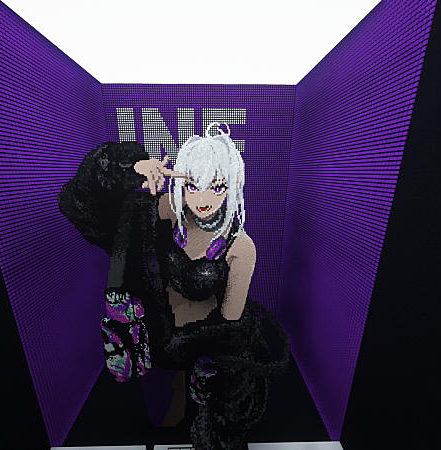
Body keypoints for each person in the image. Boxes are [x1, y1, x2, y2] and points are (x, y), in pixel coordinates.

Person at [58, 122, 290, 450]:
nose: (203, 198)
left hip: (205, 353)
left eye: (217, 186)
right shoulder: (163, 209)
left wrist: (217, 373)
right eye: (193, 185)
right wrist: (132, 167)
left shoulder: (240, 247)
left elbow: (231, 323)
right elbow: (79, 203)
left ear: (234, 182)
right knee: (163, 422)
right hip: (156, 343)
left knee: (211, 429)